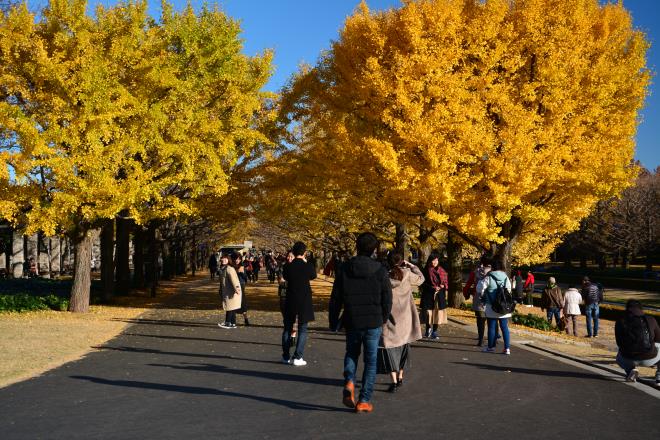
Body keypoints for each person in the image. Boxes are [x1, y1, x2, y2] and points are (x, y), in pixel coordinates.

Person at [329, 232, 392, 413]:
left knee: (352, 353)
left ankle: (349, 380)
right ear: (374, 249)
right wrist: (384, 317)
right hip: (373, 320)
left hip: (352, 319)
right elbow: (387, 297)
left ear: (357, 246)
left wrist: (334, 320)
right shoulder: (380, 270)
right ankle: (364, 400)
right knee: (371, 361)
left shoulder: (345, 269)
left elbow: (335, 298)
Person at [378, 253, 423, 393]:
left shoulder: (384, 276)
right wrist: (412, 266)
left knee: (389, 348)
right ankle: (401, 376)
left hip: (389, 316)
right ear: (401, 261)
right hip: (406, 316)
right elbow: (421, 279)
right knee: (404, 346)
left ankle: (394, 381)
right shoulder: (407, 274)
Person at [281, 242, 317, 366]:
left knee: (287, 328)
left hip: (291, 299)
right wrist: (305, 261)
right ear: (304, 252)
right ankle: (298, 356)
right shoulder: (307, 266)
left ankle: (286, 356)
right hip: (304, 300)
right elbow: (313, 275)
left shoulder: (288, 267)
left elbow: (285, 277)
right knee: (302, 329)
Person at [614, 300, 660, 386]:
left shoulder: (620, 321)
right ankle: (659, 378)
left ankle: (630, 371)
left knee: (619, 354)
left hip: (628, 358)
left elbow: (619, 342)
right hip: (649, 357)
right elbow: (658, 338)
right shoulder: (651, 319)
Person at [478, 260, 513, 355]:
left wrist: (483, 296)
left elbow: (479, 288)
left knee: (492, 327)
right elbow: (509, 290)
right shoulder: (505, 277)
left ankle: (491, 347)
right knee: (504, 327)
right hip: (503, 306)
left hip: (491, 306)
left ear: (492, 267)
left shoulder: (489, 277)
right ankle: (507, 348)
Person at [420, 252, 448, 339]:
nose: (434, 262)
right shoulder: (426, 270)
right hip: (428, 294)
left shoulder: (442, 270)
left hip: (439, 295)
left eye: (436, 260)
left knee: (437, 313)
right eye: (432, 260)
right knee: (429, 313)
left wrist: (443, 286)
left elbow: (446, 282)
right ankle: (428, 329)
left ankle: (435, 331)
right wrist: (432, 288)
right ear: (429, 261)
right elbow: (422, 283)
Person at [463, 258, 491, 346]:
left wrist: (466, 293)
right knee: (492, 320)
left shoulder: (476, 272)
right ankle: (493, 338)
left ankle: (480, 339)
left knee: (480, 320)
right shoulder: (495, 273)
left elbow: (468, 284)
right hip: (491, 299)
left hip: (478, 299)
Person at [217, 254, 242, 329]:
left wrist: (237, 289)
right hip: (228, 290)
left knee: (229, 307)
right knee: (232, 307)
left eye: (225, 259)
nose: (223, 260)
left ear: (228, 260)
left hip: (231, 291)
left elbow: (234, 280)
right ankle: (233, 323)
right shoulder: (224, 268)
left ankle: (227, 323)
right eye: (222, 259)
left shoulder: (229, 268)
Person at [232, 252, 250, 326]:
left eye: (239, 259)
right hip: (233, 285)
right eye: (236, 259)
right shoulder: (231, 266)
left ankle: (246, 319)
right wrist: (236, 271)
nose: (237, 260)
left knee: (242, 302)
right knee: (233, 301)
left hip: (241, 285)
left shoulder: (242, 266)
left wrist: (242, 272)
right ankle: (233, 320)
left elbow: (245, 278)